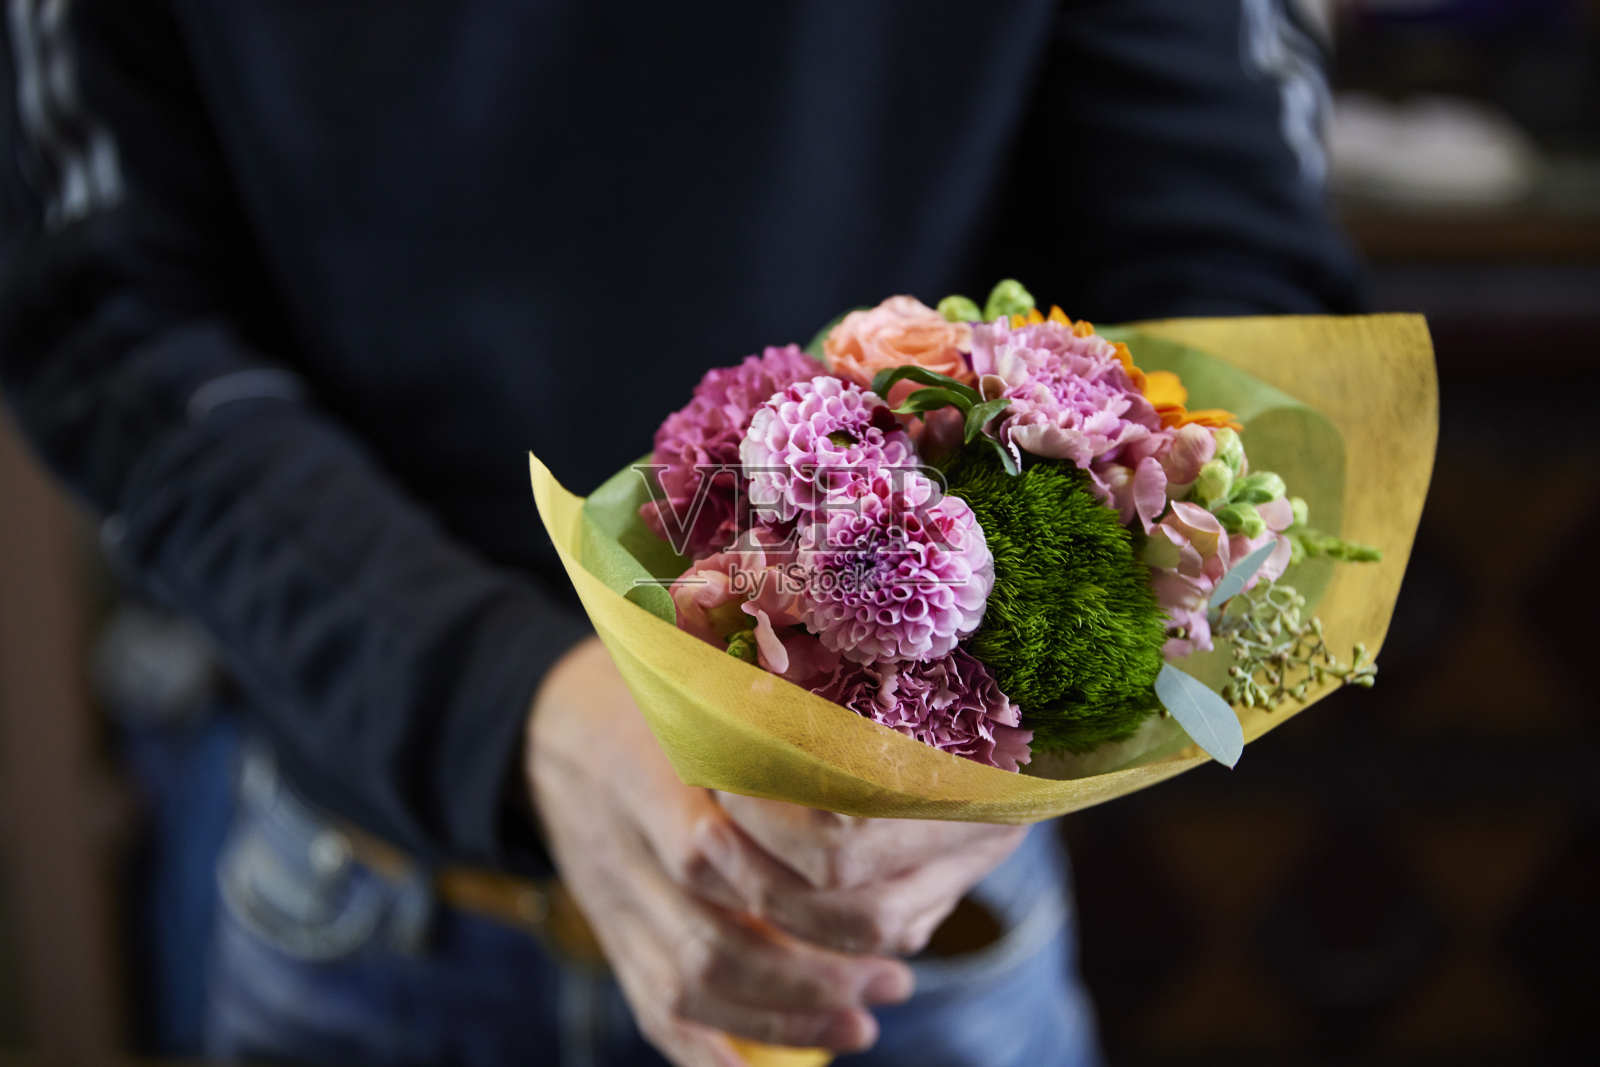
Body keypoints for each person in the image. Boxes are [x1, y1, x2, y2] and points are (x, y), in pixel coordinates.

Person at [0, 2, 1361, 1065]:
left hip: (903, 929)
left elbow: (1236, 279)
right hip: (374, 897)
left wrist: (999, 730)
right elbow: (106, 318)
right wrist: (506, 704)